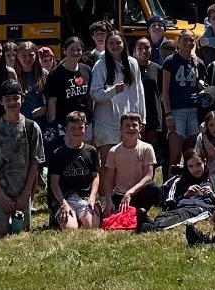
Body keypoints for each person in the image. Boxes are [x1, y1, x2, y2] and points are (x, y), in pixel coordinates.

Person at [0, 82, 44, 238]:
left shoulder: (32, 128)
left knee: (21, 232)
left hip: (22, 192)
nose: (12, 103)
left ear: (22, 99)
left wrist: (26, 195)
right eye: (8, 99)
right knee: (0, 233)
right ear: (0, 101)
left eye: (15, 98)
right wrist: (2, 198)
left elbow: (35, 163)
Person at [91, 33, 145, 161]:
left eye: (118, 43)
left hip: (128, 122)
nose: (115, 46)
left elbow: (139, 92)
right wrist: (113, 91)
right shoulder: (100, 65)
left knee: (128, 162)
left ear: (124, 44)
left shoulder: (132, 63)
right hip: (106, 122)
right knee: (107, 162)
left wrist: (142, 118)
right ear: (106, 46)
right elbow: (94, 94)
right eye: (111, 43)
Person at [140, 150, 215, 232]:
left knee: (183, 216)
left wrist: (212, 195)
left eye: (198, 164)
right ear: (186, 166)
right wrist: (185, 195)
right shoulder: (179, 181)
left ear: (204, 162)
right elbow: (167, 205)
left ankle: (154, 227)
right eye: (191, 166)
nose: (195, 169)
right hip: (180, 207)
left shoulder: (214, 181)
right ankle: (149, 223)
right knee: (163, 216)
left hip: (201, 208)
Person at [46, 111, 101, 231]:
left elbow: (95, 176)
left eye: (80, 128)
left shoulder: (91, 151)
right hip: (64, 197)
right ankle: (58, 216)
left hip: (83, 197)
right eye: (73, 128)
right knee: (71, 229)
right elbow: (54, 183)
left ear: (86, 128)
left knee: (93, 226)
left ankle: (79, 216)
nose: (77, 132)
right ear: (66, 129)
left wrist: (92, 197)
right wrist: (62, 203)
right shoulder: (58, 153)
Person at [101, 112, 160, 220]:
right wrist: (108, 201)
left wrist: (130, 192)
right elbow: (108, 180)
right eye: (127, 125)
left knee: (154, 188)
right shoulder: (114, 151)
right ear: (121, 128)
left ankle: (141, 212)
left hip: (138, 193)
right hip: (120, 195)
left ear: (140, 127)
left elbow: (148, 176)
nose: (131, 128)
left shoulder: (147, 148)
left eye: (134, 125)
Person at [160, 32, 201, 177]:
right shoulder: (171, 61)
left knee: (191, 154)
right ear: (178, 41)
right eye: (185, 40)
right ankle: (170, 187)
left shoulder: (197, 62)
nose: (188, 43)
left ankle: (188, 183)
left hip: (193, 110)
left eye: (191, 40)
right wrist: (168, 114)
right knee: (175, 155)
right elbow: (164, 91)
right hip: (176, 111)